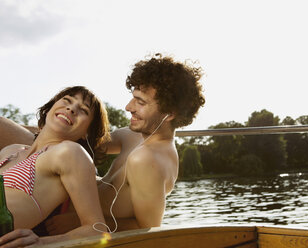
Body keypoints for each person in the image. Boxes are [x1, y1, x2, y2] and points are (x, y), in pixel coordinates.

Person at [0, 53, 205, 234]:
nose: (128, 107)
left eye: (140, 103)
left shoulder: (148, 160)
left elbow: (147, 228)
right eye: (133, 98)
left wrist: (78, 222)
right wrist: (51, 122)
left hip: (67, 207)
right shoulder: (132, 136)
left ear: (170, 114)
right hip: (66, 180)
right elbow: (88, 138)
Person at [0, 86, 111, 247]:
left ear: (86, 133)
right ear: (50, 108)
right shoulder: (11, 150)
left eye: (84, 110)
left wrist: (42, 242)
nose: (71, 108)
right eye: (67, 100)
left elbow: (98, 230)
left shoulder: (70, 153)